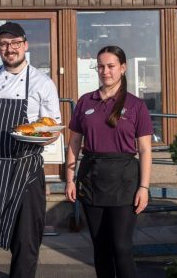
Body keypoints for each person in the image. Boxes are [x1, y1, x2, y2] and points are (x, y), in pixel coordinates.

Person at [0, 22, 61, 278]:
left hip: (25, 167)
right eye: (4, 44)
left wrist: (40, 137)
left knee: (26, 240)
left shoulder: (43, 83)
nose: (10, 49)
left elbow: (52, 130)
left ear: (25, 45)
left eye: (15, 43)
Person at [65, 45, 153, 278]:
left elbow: (144, 150)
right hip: (91, 178)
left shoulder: (136, 105)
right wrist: (70, 179)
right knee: (101, 247)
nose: (105, 71)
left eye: (111, 66)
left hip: (124, 180)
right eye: (101, 66)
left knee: (121, 247)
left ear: (123, 68)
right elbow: (74, 143)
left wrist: (144, 187)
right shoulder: (85, 102)